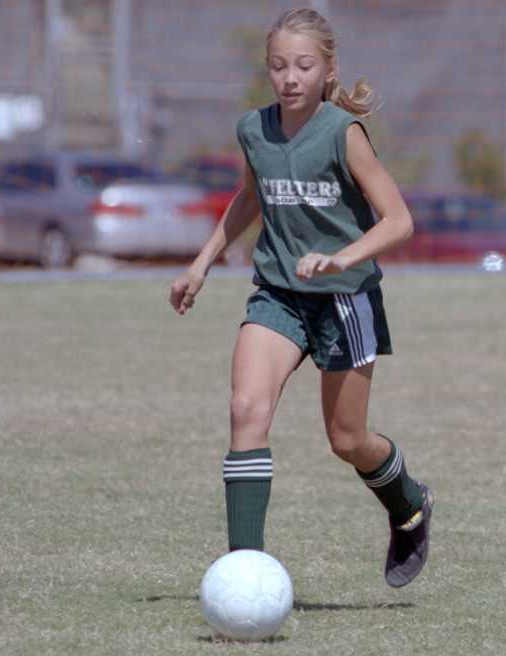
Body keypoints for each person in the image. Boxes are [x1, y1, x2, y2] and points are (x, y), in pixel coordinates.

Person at [169, 7, 432, 588]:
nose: (290, 78)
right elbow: (250, 197)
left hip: (343, 300)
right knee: (246, 411)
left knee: (347, 440)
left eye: (304, 66)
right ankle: (245, 572)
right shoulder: (254, 129)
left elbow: (399, 221)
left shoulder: (343, 133)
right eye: (279, 65)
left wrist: (342, 258)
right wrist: (201, 263)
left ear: (328, 70)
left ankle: (408, 503)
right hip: (278, 295)